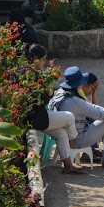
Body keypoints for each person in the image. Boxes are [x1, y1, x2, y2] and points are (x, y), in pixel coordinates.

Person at [48, 67, 104, 168]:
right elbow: (98, 113)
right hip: (78, 139)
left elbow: (92, 108)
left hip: (68, 136)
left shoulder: (61, 93)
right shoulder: (75, 101)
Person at [23, 45, 84, 175]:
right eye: (43, 59)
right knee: (69, 117)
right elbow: (44, 99)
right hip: (37, 118)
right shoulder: (34, 75)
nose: (44, 62)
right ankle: (74, 142)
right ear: (35, 58)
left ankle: (68, 165)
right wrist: (49, 91)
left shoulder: (23, 71)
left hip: (32, 116)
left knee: (61, 133)